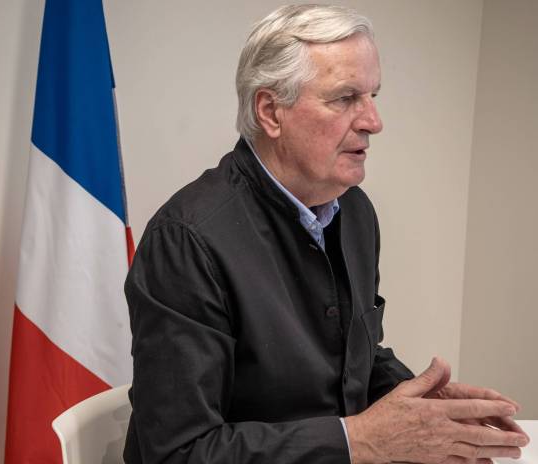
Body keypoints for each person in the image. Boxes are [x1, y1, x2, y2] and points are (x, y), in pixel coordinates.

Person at [123, 4, 530, 464]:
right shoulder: (187, 242)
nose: (373, 121)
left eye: (373, 95)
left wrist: (421, 410)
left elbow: (353, 358)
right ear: (271, 111)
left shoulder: (353, 211)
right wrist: (360, 440)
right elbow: (177, 454)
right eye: (345, 98)